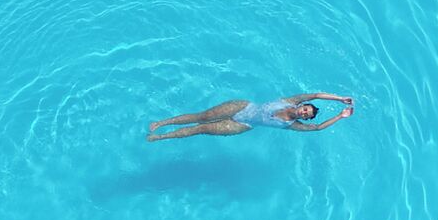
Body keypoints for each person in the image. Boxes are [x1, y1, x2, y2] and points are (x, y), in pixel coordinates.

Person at [145, 93, 353, 141]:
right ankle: (163, 123)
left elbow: (317, 129)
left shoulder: (291, 124)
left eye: (306, 115)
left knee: (201, 129)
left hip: (243, 124)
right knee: (203, 116)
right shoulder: (291, 100)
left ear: (304, 119)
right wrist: (340, 99)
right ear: (301, 105)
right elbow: (316, 94)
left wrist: (341, 116)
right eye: (305, 109)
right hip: (242, 107)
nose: (303, 112)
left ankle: (161, 138)